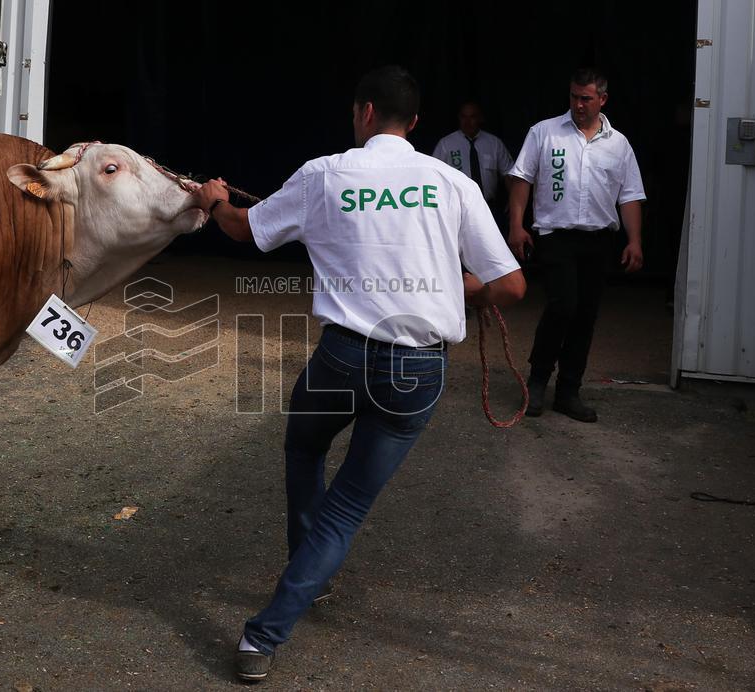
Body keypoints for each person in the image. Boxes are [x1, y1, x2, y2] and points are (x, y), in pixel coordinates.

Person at [193, 65, 525, 682]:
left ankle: (282, 610)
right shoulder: (451, 182)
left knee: (303, 449)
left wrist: (215, 200)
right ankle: (270, 627)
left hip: (341, 357)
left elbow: (245, 229)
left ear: (364, 113)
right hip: (416, 370)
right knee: (345, 512)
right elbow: (511, 284)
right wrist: (454, 295)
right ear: (416, 123)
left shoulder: (324, 174)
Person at [507, 67, 645, 423]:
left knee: (585, 315)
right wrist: (517, 226)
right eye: (573, 97)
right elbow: (522, 178)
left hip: (599, 239)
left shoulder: (619, 143)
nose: (578, 104)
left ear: (603, 99)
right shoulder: (545, 132)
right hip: (557, 235)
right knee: (563, 305)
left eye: (586, 98)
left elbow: (629, 196)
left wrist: (635, 240)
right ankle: (537, 380)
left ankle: (569, 390)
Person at [432, 101, 514, 218]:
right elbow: (435, 176)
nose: (467, 122)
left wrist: (513, 202)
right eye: (463, 117)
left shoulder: (494, 143)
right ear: (459, 118)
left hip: (489, 207)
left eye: (472, 117)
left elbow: (508, 174)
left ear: (480, 118)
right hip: (457, 208)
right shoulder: (446, 144)